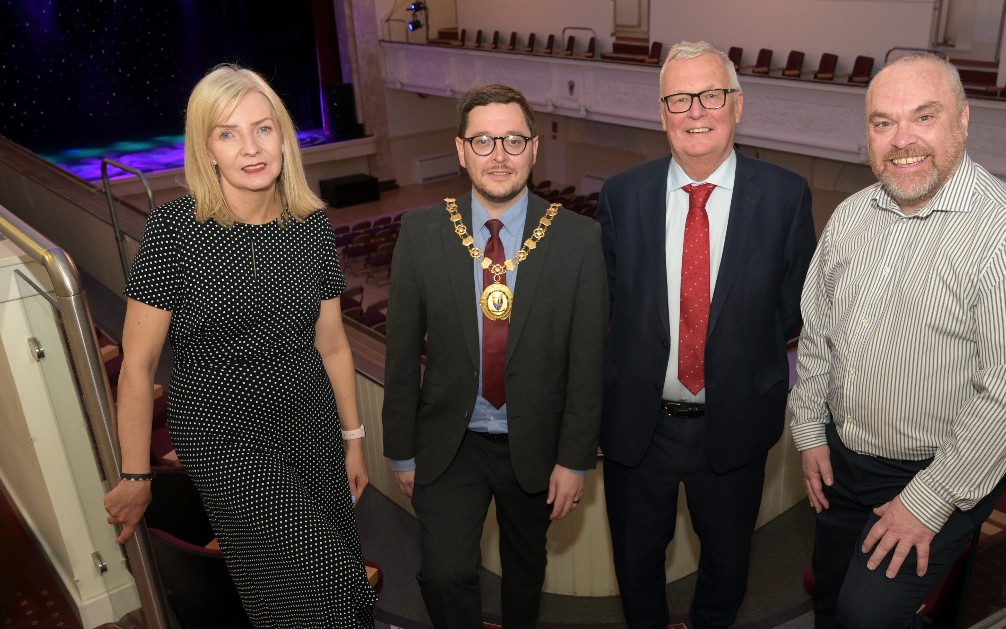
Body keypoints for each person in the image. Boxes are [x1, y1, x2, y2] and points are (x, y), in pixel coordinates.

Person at [787, 52, 1006, 628]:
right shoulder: (850, 216)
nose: (902, 140)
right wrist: (812, 428)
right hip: (844, 459)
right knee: (830, 601)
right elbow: (818, 333)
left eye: (924, 116)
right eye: (883, 122)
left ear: (963, 121)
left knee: (866, 616)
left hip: (939, 471)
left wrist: (929, 501)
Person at [101, 64, 377, 627]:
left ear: (284, 137)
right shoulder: (174, 230)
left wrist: (353, 439)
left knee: (314, 582)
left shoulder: (311, 224)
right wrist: (135, 475)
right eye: (228, 133)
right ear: (207, 149)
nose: (250, 148)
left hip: (311, 426)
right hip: (226, 438)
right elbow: (138, 366)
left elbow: (333, 346)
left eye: (263, 128)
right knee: (326, 577)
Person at [597, 41, 817, 628]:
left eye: (710, 95)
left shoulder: (786, 195)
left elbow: (795, 307)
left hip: (736, 421)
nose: (695, 111)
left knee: (728, 563)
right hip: (638, 426)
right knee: (636, 562)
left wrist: (738, 353)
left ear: (737, 105)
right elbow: (612, 305)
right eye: (678, 99)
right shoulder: (621, 196)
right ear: (661, 113)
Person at [381, 84, 607, 628]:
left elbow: (588, 362)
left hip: (536, 443)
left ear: (534, 149)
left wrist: (576, 458)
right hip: (449, 442)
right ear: (461, 151)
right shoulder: (422, 231)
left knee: (525, 574)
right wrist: (401, 452)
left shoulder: (579, 239)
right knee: (442, 574)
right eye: (483, 140)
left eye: (512, 139)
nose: (499, 154)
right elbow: (402, 352)